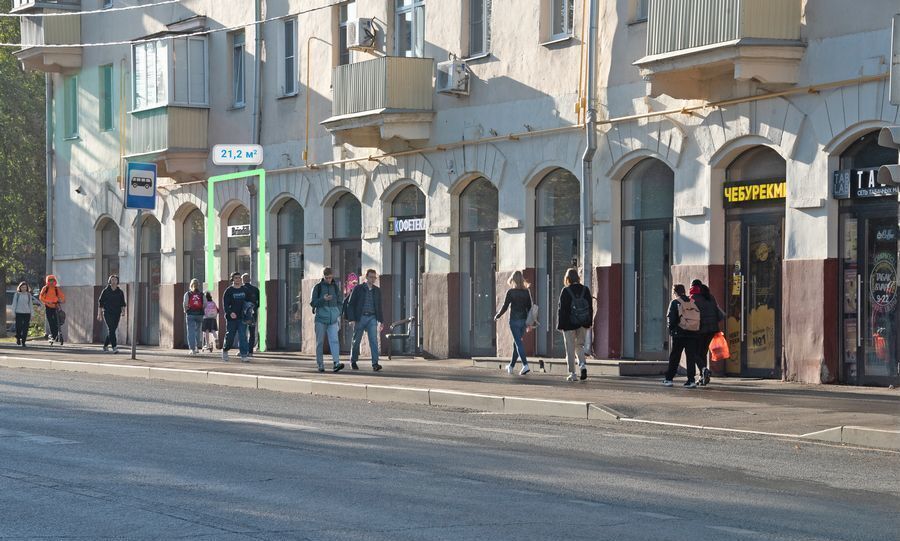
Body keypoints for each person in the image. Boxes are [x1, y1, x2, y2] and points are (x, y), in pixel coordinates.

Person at [557, 267, 593, 382]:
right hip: (582, 323)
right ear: (578, 277)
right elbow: (590, 308)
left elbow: (561, 310)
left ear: (567, 278)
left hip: (568, 324)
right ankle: (582, 365)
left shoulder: (565, 291)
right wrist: (589, 323)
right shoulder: (585, 290)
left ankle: (573, 373)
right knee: (580, 346)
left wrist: (560, 325)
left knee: (570, 348)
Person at [494, 270, 533, 376]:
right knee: (516, 343)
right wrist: (529, 324)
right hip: (524, 321)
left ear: (513, 280)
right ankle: (511, 366)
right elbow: (530, 308)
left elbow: (505, 307)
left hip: (514, 321)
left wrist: (497, 315)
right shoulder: (526, 292)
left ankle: (525, 365)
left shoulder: (511, 292)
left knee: (518, 343)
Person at [663, 284, 701, 388]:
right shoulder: (692, 302)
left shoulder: (675, 302)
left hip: (679, 333)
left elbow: (671, 319)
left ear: (675, 292)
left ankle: (669, 379)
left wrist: (672, 330)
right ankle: (691, 380)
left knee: (675, 356)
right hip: (692, 333)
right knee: (691, 357)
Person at [346, 268, 384, 371]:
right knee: (356, 340)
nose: (373, 279)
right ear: (366, 277)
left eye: (374, 277)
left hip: (372, 317)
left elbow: (379, 306)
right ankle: (353, 361)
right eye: (371, 277)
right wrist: (352, 319)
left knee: (373, 341)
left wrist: (381, 320)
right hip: (360, 317)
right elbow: (351, 304)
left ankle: (375, 363)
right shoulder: (358, 288)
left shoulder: (377, 290)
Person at [310, 267, 345, 373]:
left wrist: (338, 312)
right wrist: (323, 299)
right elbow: (313, 303)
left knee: (334, 341)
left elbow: (340, 301)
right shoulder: (317, 287)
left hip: (333, 319)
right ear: (323, 277)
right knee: (319, 342)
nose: (329, 280)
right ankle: (320, 364)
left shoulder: (335, 287)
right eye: (327, 278)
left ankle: (336, 363)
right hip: (320, 319)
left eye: (330, 277)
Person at [691, 279, 725, 386]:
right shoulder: (710, 297)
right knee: (703, 352)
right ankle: (703, 377)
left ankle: (703, 369)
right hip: (712, 329)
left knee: (694, 353)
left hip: (700, 330)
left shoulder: (694, 299)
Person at [221, 272, 250, 362]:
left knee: (243, 336)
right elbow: (225, 304)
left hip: (242, 318)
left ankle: (244, 355)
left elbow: (249, 302)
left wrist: (249, 313)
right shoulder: (229, 291)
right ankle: (225, 350)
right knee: (230, 336)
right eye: (236, 278)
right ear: (232, 279)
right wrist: (230, 313)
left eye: (239, 278)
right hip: (232, 318)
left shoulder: (245, 290)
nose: (238, 279)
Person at [97, 274, 126, 353]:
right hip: (107, 313)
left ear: (117, 281)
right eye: (112, 280)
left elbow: (122, 303)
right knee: (111, 329)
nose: (113, 281)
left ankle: (105, 345)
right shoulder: (106, 291)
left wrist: (123, 311)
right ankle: (114, 347)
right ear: (109, 281)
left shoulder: (120, 292)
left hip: (117, 313)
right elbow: (100, 303)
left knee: (112, 330)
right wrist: (99, 314)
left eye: (115, 280)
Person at [39, 274, 66, 345]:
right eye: (50, 281)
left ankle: (56, 335)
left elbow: (62, 295)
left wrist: (62, 300)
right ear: (47, 281)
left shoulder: (56, 289)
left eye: (52, 281)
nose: (51, 282)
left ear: (54, 281)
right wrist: (47, 301)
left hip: (56, 306)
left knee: (57, 321)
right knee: (51, 321)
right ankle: (53, 335)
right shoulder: (45, 288)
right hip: (48, 306)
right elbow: (41, 297)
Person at [183, 278, 205, 355]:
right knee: (197, 331)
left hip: (190, 314)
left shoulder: (188, 294)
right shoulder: (202, 294)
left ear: (190, 285)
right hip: (199, 315)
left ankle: (192, 349)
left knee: (191, 331)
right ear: (198, 285)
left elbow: (185, 304)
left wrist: (186, 311)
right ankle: (196, 347)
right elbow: (204, 304)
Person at [12, 282, 36, 347]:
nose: (24, 288)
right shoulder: (17, 294)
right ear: (20, 288)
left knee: (25, 328)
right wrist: (13, 313)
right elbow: (14, 305)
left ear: (27, 288)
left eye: (25, 287)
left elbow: (30, 305)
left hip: (27, 313)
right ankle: (18, 338)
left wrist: (32, 314)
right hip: (19, 313)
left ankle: (23, 341)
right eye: (22, 287)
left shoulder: (28, 295)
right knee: (18, 327)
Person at [242, 273, 261, 356]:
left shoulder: (241, 289)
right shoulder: (256, 289)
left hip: (243, 314)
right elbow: (259, 303)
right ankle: (250, 352)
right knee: (252, 332)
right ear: (249, 280)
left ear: (242, 280)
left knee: (242, 332)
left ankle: (243, 350)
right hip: (253, 314)